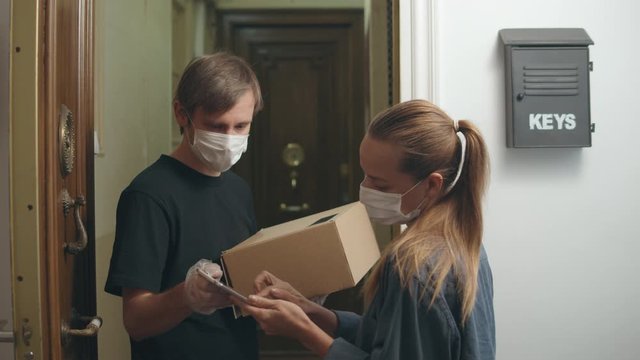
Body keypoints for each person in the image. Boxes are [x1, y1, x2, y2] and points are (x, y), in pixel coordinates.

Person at [235, 99, 496, 359]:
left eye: (380, 185)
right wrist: (309, 311)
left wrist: (303, 330)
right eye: (365, 175)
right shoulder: (463, 245)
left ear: (431, 185)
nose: (366, 190)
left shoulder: (416, 265)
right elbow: (392, 336)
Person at [105, 52, 263, 360]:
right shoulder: (149, 195)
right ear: (182, 114)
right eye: (216, 127)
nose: (229, 139)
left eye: (241, 125)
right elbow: (135, 321)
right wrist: (186, 296)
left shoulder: (238, 189)